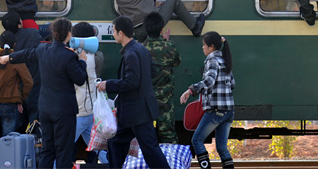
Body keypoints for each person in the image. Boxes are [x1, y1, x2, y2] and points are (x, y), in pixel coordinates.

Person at [0, 18, 88, 169]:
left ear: (53, 33)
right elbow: (80, 79)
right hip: (64, 111)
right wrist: (82, 61)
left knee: (47, 151)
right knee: (63, 152)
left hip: (45, 109)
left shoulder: (42, 50)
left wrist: (9, 57)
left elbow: (27, 54)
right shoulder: (69, 56)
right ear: (69, 34)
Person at [97, 16, 170, 169]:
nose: (113, 34)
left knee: (150, 149)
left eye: (114, 31)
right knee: (116, 143)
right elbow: (152, 71)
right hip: (135, 111)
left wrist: (108, 84)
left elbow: (132, 82)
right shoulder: (141, 49)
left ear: (121, 33)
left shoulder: (130, 54)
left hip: (137, 112)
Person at [180, 32, 235, 169]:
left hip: (216, 111)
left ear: (211, 47)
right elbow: (232, 84)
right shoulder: (225, 60)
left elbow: (209, 81)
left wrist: (191, 90)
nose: (202, 48)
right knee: (222, 148)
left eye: (204, 45)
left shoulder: (212, 60)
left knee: (197, 140)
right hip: (229, 111)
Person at [0, 31, 33, 169]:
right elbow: (28, 82)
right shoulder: (16, 60)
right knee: (8, 143)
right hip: (10, 106)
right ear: (14, 45)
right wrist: (20, 99)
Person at [142, 12, 181, 144]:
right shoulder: (170, 47)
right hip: (165, 100)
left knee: (145, 137)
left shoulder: (140, 49)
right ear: (161, 30)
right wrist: (165, 41)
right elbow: (176, 62)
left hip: (146, 101)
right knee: (168, 136)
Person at [1, 11, 42, 126]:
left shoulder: (6, 39)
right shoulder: (33, 33)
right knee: (35, 120)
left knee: (18, 123)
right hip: (34, 83)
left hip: (16, 87)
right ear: (19, 24)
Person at [71, 22, 103, 164]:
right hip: (91, 109)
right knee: (98, 147)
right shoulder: (98, 56)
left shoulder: (74, 57)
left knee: (63, 147)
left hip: (77, 111)